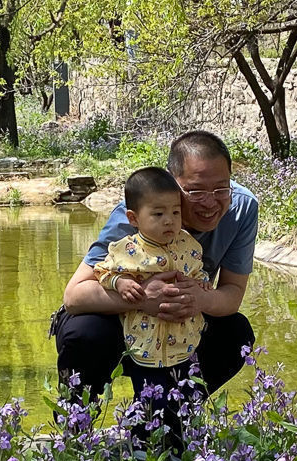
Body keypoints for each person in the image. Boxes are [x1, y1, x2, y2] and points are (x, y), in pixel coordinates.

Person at [54, 129, 258, 424]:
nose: (211, 203)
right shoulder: (139, 213)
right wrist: (142, 299)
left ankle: (167, 419)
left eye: (221, 189)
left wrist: (200, 298)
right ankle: (75, 425)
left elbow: (232, 293)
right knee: (84, 333)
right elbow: (74, 296)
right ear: (173, 185)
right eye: (196, 191)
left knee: (235, 333)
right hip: (120, 317)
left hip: (180, 322)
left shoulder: (242, 208)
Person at [90, 166, 212, 446]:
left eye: (176, 213)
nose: (169, 221)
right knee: (150, 391)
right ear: (133, 218)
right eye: (158, 214)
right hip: (145, 339)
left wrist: (202, 286)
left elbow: (197, 272)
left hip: (183, 337)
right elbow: (102, 272)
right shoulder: (127, 249)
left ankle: (183, 441)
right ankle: (144, 442)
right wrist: (120, 283)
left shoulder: (187, 245)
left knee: (186, 388)